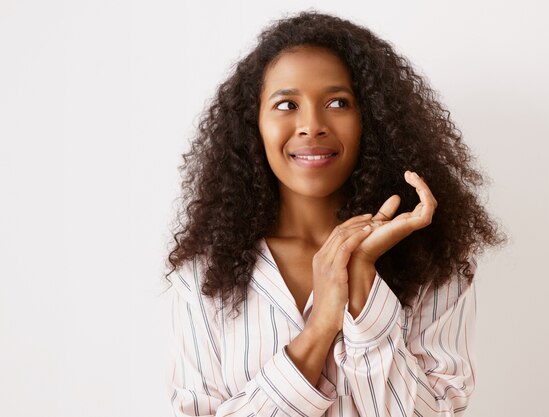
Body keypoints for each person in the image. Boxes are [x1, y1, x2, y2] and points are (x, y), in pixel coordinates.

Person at [163, 10, 507, 417]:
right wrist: (322, 325)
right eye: (286, 104)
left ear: (372, 121)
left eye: (338, 102)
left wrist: (362, 280)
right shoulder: (206, 276)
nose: (311, 125)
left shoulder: (434, 265)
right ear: (253, 123)